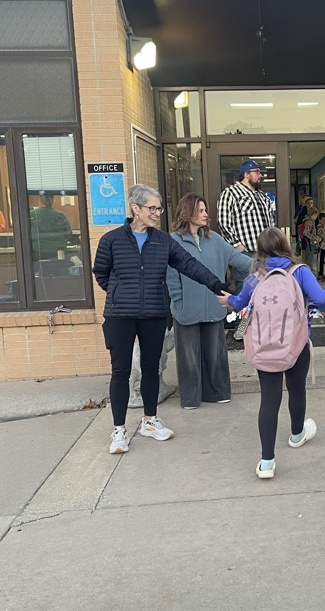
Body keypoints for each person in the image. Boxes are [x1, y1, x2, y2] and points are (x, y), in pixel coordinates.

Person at [93, 184, 231, 454]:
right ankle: (119, 430)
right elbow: (101, 274)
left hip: (154, 314)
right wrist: (122, 292)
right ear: (136, 209)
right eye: (152, 208)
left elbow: (190, 265)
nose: (157, 213)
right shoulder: (111, 241)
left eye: (159, 208)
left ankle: (149, 421)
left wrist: (216, 285)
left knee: (151, 368)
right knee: (120, 372)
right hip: (120, 315)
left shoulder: (163, 241)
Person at [217, 227, 325, 479]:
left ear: (262, 250)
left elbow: (240, 302)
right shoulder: (299, 271)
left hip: (265, 346)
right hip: (296, 344)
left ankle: (267, 462)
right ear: (285, 245)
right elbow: (324, 301)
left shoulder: (256, 276)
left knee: (269, 399)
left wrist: (230, 301)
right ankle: (297, 434)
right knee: (296, 388)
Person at [167, 193, 250, 409]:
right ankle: (191, 398)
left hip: (214, 307)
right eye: (201, 210)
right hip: (186, 309)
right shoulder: (172, 242)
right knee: (189, 358)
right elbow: (171, 278)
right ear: (188, 212)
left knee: (216, 354)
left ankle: (218, 392)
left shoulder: (215, 239)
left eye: (205, 210)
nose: (206, 214)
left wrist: (270, 267)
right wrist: (179, 301)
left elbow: (240, 260)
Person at [216, 160, 274, 291]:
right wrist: (236, 244)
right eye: (257, 172)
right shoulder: (231, 193)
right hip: (246, 253)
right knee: (244, 290)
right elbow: (223, 221)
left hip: (265, 252)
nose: (260, 175)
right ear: (246, 174)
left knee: (264, 291)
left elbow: (271, 220)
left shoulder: (262, 196)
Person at [29, 195, 72, 260]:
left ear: (39, 200)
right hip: (58, 250)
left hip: (36, 249)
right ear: (53, 201)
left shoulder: (31, 214)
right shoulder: (60, 215)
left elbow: (26, 233)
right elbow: (68, 233)